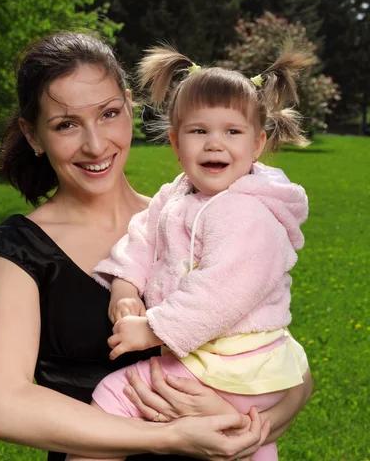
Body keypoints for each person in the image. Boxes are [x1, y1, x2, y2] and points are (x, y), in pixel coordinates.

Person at [0, 32, 312, 461]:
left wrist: (242, 420)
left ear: (130, 108)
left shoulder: (190, 220)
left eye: (109, 113)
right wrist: (169, 436)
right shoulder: (20, 251)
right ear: (33, 134)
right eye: (66, 124)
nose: (96, 145)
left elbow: (279, 356)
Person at [70, 45, 313, 461]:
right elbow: (142, 238)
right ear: (175, 143)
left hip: (239, 364)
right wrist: (124, 289)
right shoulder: (177, 193)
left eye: (231, 132)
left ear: (257, 144)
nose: (215, 144)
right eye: (199, 131)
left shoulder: (250, 212)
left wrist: (153, 329)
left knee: (115, 395)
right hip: (215, 360)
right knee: (243, 441)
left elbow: (222, 290)